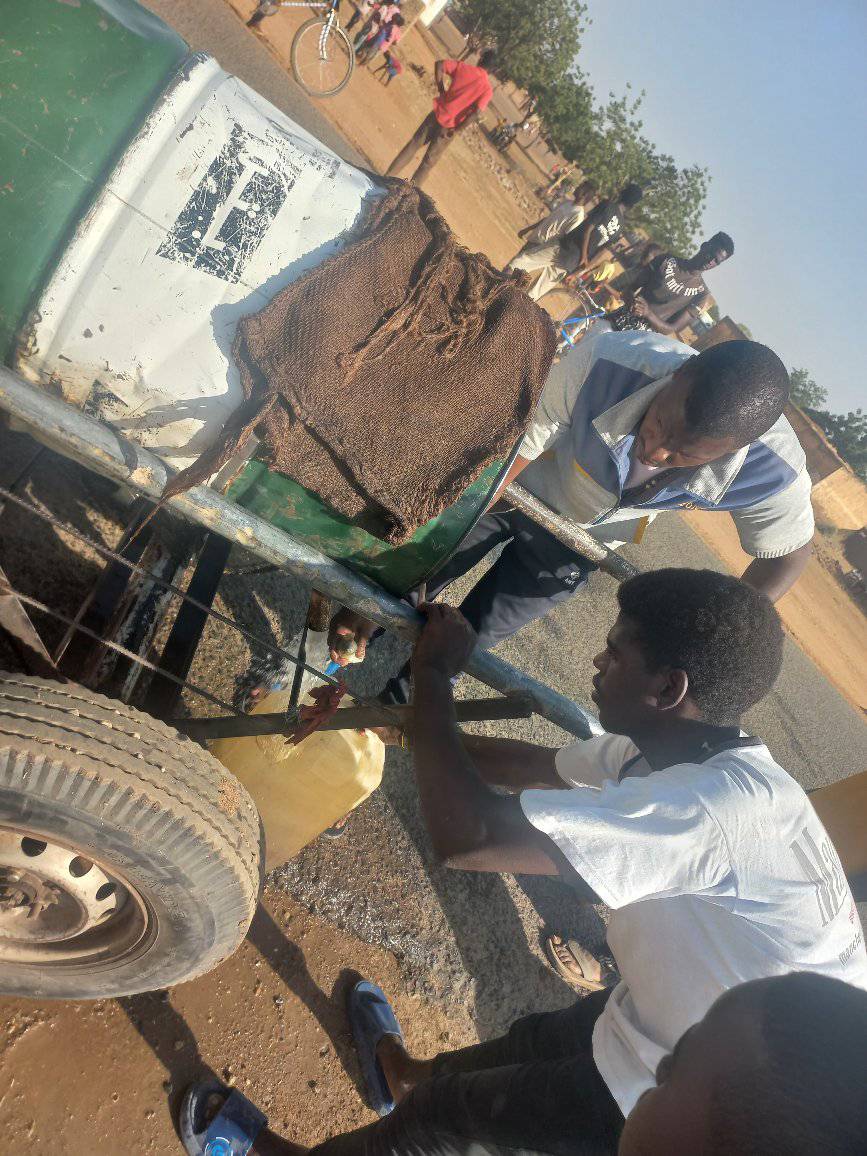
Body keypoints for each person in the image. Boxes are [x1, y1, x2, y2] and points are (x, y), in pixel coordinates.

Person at [178, 574, 867, 1154]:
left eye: (613, 653)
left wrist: (434, 676)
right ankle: (397, 1069)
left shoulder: (704, 808)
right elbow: (535, 767)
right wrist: (389, 722)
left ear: (667, 687)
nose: (596, 665)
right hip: (676, 1005)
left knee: (447, 1123)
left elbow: (470, 839)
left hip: (730, 1089)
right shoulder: (671, 750)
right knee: (533, 1042)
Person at [329, 335, 816, 700]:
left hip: (578, 541)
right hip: (516, 490)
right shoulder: (608, 362)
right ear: (680, 373)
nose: (656, 448)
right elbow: (516, 453)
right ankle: (330, 654)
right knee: (416, 566)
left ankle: (385, 718)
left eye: (684, 456)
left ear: (734, 450)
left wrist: (714, 630)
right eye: (661, 423)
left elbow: (788, 554)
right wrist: (407, 568)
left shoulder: (773, 472)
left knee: (471, 636)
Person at [384, 49, 496, 186]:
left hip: (438, 113)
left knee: (413, 145)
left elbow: (439, 65)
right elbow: (475, 113)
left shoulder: (464, 68)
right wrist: (458, 130)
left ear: (481, 59)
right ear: (492, 70)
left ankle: (386, 177)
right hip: (450, 128)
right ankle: (407, 195)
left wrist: (441, 89)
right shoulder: (486, 90)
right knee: (427, 163)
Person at [607, 233, 733, 337]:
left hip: (641, 340)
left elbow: (671, 329)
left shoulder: (701, 293)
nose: (711, 261)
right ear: (704, 246)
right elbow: (629, 289)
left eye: (716, 261)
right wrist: (632, 304)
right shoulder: (666, 261)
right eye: (711, 254)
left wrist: (648, 313)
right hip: (620, 318)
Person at [507, 181, 596, 302]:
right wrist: (528, 229)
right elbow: (548, 218)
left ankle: (504, 296)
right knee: (516, 266)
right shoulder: (567, 202)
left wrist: (548, 246)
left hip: (544, 244)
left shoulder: (578, 215)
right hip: (535, 238)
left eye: (580, 187)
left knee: (516, 268)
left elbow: (566, 236)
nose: (577, 187)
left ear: (584, 194)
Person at [559, 184, 643, 280]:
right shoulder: (621, 227)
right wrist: (579, 270)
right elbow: (601, 251)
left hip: (566, 247)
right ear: (632, 205)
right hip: (574, 262)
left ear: (622, 193)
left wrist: (583, 256)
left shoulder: (607, 205)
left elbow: (587, 229)